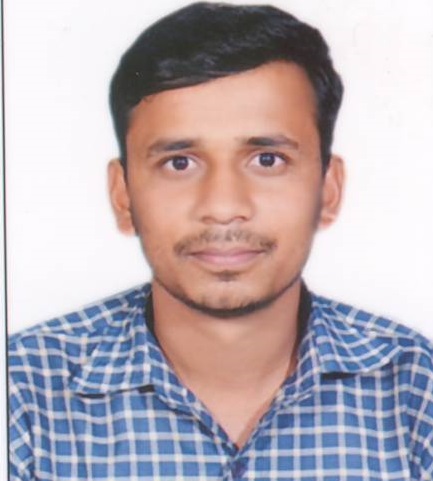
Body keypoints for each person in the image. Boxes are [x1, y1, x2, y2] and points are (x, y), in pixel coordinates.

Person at [9, 2, 433, 480]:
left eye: (267, 160)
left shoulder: (416, 391)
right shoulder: (22, 394)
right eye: (180, 163)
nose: (224, 205)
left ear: (328, 190)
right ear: (123, 195)